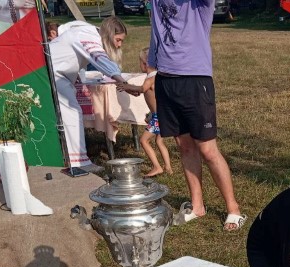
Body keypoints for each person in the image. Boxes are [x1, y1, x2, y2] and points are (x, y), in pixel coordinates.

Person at [148, 0, 246, 231]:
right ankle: (197, 206)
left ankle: (233, 209)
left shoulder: (197, 4)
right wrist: (150, 70)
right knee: (184, 146)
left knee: (207, 149)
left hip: (194, 78)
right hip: (165, 78)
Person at [49, 17, 137, 170]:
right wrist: (122, 81)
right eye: (118, 40)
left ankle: (73, 158)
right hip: (52, 73)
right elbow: (100, 58)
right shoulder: (88, 36)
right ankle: (78, 162)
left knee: (71, 113)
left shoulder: (89, 33)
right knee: (72, 113)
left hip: (58, 74)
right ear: (109, 35)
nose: (119, 45)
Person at [119, 48, 173, 177]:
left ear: (145, 63)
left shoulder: (151, 77)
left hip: (158, 117)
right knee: (159, 141)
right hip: (160, 115)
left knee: (144, 140)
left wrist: (127, 86)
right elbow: (145, 93)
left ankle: (157, 167)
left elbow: (142, 89)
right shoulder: (157, 76)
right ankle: (168, 167)